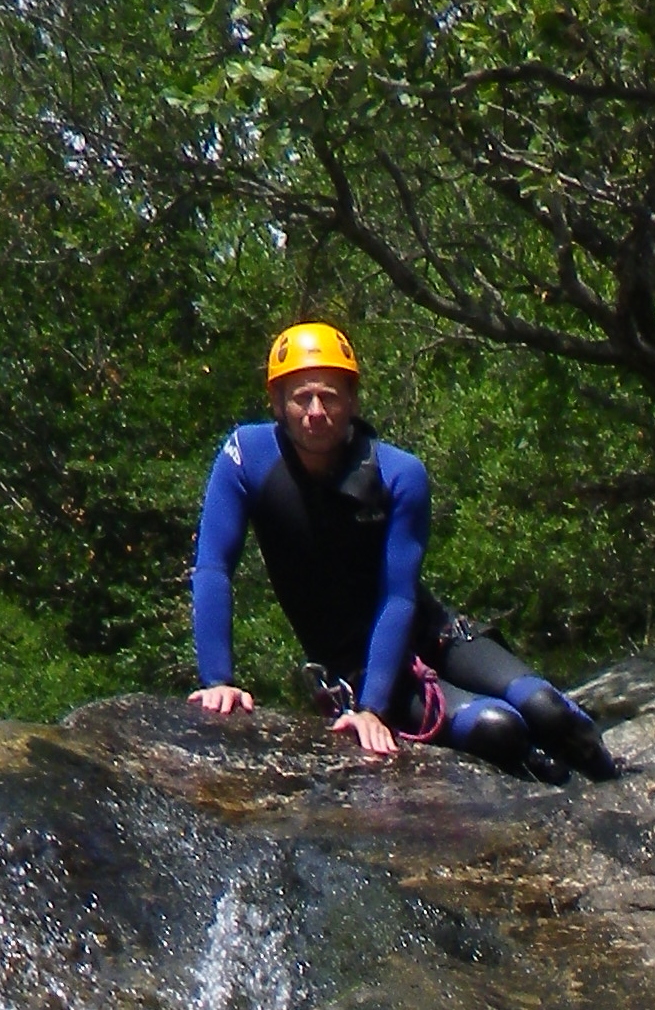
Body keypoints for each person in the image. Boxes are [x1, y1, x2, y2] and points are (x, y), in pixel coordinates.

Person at [188, 322, 619, 781]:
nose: (315, 412)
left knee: (546, 707)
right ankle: (545, 778)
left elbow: (398, 595)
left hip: (437, 636)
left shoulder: (398, 473)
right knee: (498, 728)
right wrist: (219, 681)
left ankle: (612, 779)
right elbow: (213, 567)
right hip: (358, 667)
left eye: (329, 397)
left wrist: (372, 709)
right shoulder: (245, 456)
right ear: (277, 403)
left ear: (352, 401)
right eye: (301, 398)